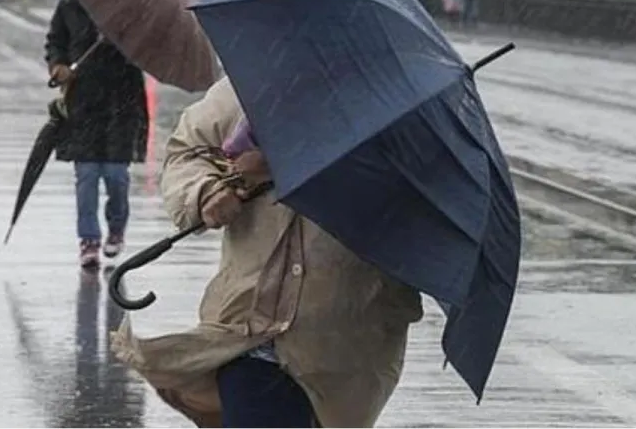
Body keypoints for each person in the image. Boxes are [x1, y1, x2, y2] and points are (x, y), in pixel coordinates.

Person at [111, 76, 424, 428]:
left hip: (347, 345)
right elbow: (188, 152)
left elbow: (420, 201)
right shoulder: (252, 82)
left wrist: (281, 162)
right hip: (248, 331)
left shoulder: (400, 101)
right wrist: (206, 192)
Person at [45, 0, 149, 269]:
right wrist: (58, 65)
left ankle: (116, 228)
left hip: (121, 103)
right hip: (83, 103)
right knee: (87, 175)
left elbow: (145, 47)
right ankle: (89, 239)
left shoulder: (129, 6)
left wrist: (118, 38)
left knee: (117, 177)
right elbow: (56, 41)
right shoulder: (70, 4)